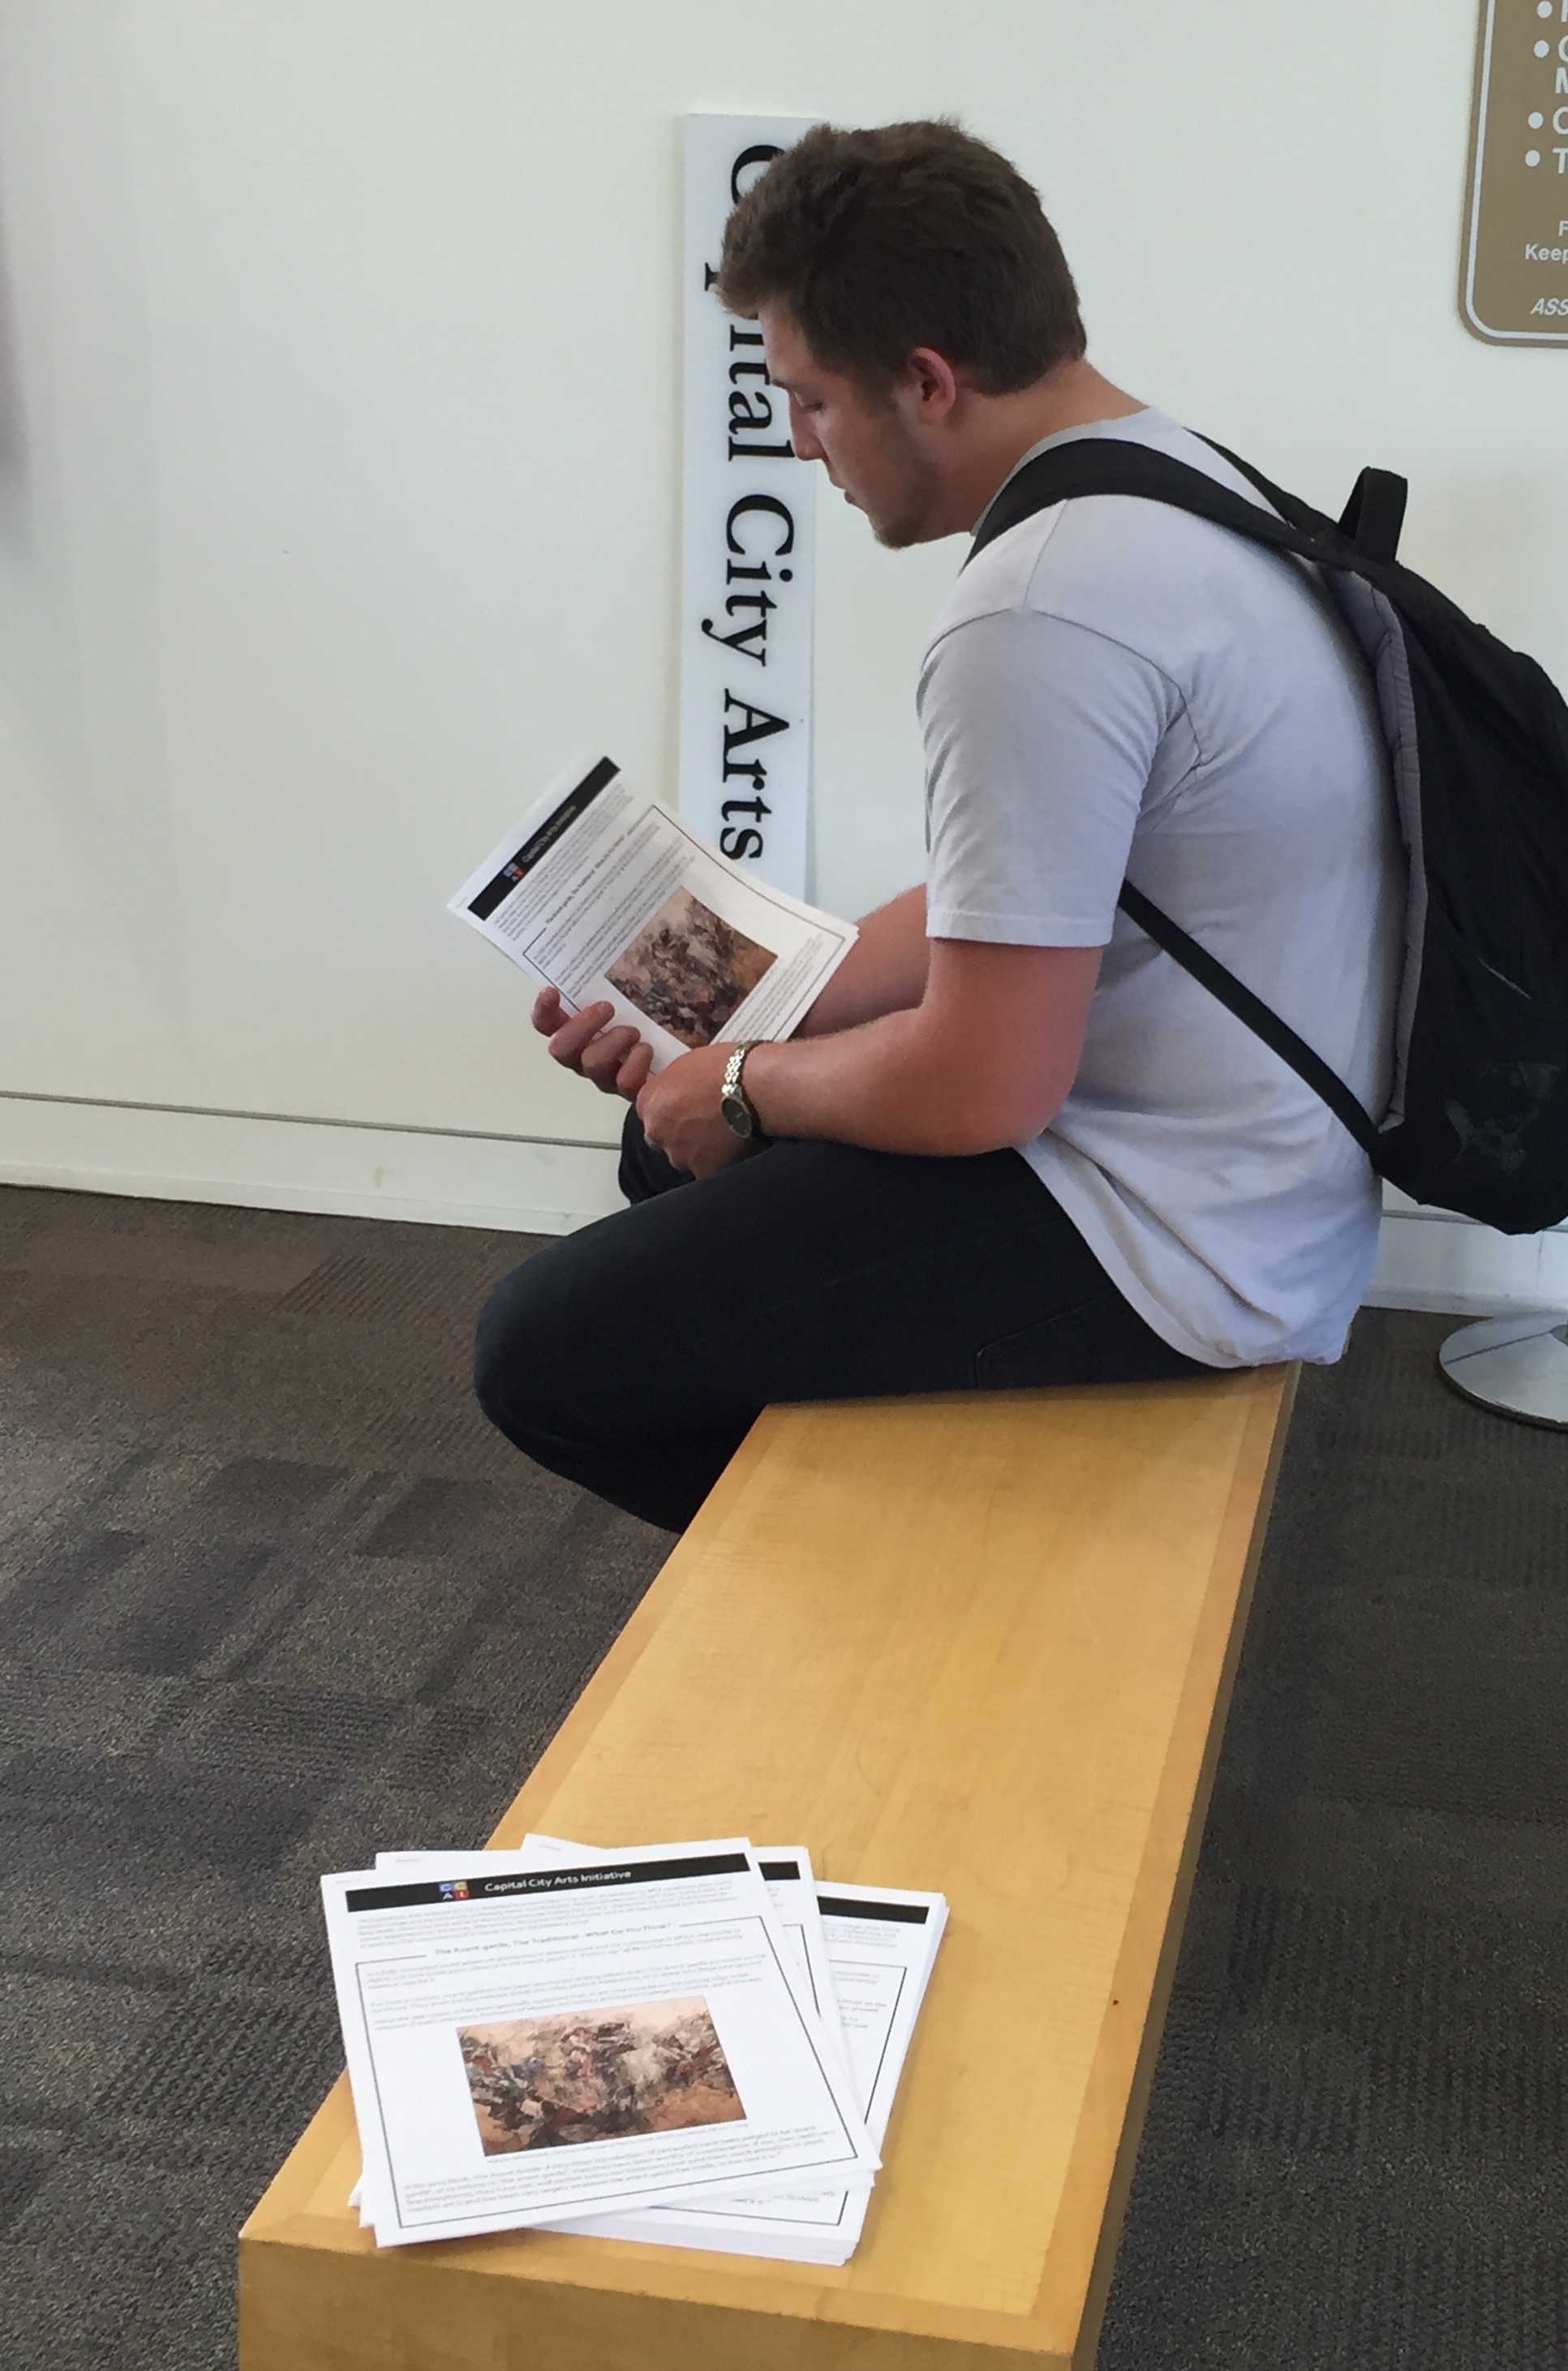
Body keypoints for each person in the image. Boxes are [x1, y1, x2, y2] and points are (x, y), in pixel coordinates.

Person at [475, 118, 1403, 1532]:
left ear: (925, 380)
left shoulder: (1037, 611)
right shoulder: (1177, 480)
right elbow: (1037, 895)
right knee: (663, 1145)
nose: (800, 444)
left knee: (542, 1356)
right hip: (1258, 1177)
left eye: (811, 400)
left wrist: (743, 1082)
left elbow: (985, 1085)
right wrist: (753, 1009)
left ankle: (922, 1592)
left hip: (1171, 1235)